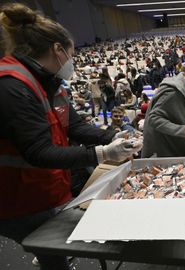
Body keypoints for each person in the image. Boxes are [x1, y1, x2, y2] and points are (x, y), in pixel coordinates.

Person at [0, 4, 142, 269]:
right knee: (54, 259)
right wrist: (103, 153)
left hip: (50, 188)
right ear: (58, 49)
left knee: (56, 256)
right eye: (72, 53)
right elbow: (38, 152)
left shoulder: (50, 82)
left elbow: (74, 127)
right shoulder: (13, 86)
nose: (73, 60)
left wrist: (112, 135)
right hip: (21, 199)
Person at [142, 50, 185, 158]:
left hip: (179, 149)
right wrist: (181, 129)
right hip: (165, 153)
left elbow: (182, 119)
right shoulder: (173, 91)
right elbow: (153, 118)